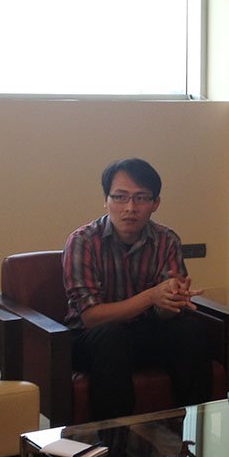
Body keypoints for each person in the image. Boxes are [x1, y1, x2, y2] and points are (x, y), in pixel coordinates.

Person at [63, 158, 212, 422]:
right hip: (91, 340)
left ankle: (193, 429)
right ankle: (113, 438)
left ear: (156, 203)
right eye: (120, 197)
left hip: (144, 333)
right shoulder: (83, 241)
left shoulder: (166, 240)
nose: (130, 208)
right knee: (111, 336)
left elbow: (164, 313)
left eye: (141, 198)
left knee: (190, 329)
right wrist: (152, 295)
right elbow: (91, 317)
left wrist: (172, 300)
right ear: (106, 200)